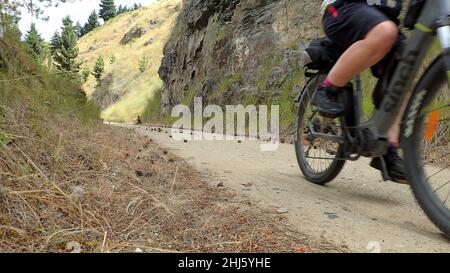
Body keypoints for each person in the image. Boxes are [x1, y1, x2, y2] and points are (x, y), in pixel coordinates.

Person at [313, 0, 408, 184]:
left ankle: (389, 151)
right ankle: (327, 89)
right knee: (385, 31)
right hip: (343, 8)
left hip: (382, 18)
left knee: (406, 61)